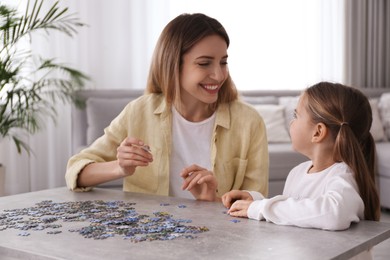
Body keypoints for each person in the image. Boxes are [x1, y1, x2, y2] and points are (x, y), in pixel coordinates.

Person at [65, 13, 269, 202]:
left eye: (223, 62)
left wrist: (212, 202)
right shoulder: (138, 112)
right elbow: (75, 171)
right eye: (205, 63)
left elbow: (256, 203)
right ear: (173, 64)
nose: (218, 74)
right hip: (146, 237)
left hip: (221, 239)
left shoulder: (249, 122)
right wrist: (120, 168)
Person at [222, 82, 380, 232]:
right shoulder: (297, 172)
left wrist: (261, 208)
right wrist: (255, 201)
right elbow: (293, 212)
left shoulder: (344, 176)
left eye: (296, 115)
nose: (292, 122)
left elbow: (333, 215)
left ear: (318, 132)